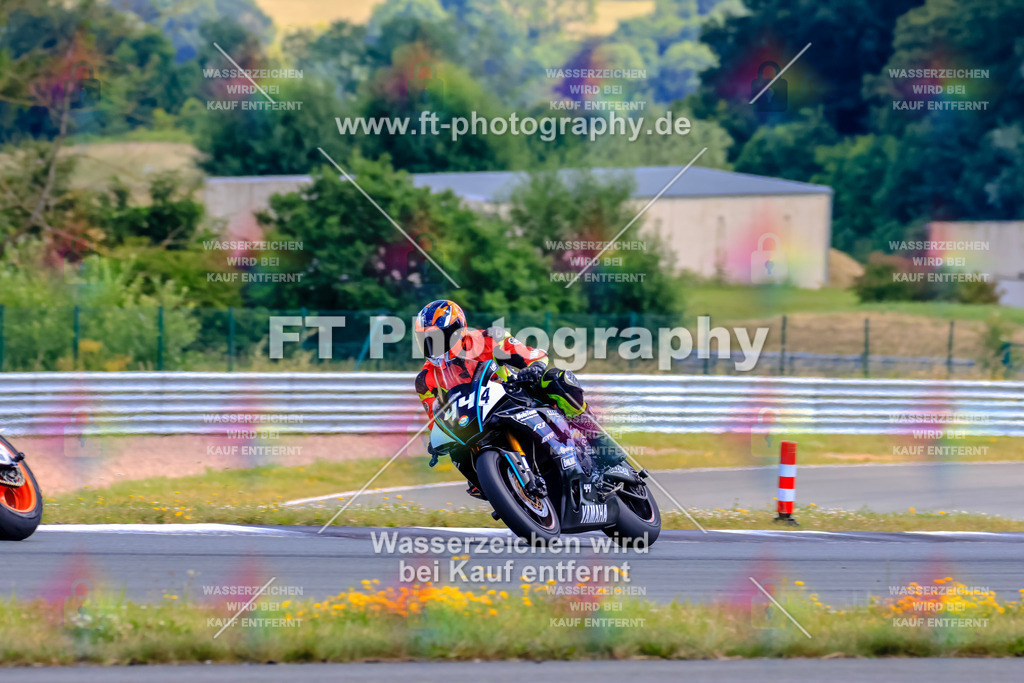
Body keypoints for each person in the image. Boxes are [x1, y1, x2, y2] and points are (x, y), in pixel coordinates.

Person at [412, 299, 628, 499]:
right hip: (476, 421)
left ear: (458, 330)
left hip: (515, 396)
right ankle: (492, 486)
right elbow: (437, 418)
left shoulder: (488, 338)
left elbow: (532, 355)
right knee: (454, 449)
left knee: (556, 380)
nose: (432, 345)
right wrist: (435, 439)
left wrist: (533, 368)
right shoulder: (425, 379)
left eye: (438, 337)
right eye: (426, 339)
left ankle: (601, 445)